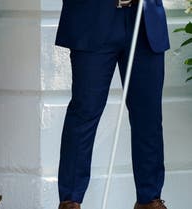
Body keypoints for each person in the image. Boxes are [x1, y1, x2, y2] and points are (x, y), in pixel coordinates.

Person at [56, 0, 169, 208]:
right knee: (84, 112)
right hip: (92, 17)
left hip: (144, 20)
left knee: (148, 117)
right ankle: (70, 201)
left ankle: (149, 199)